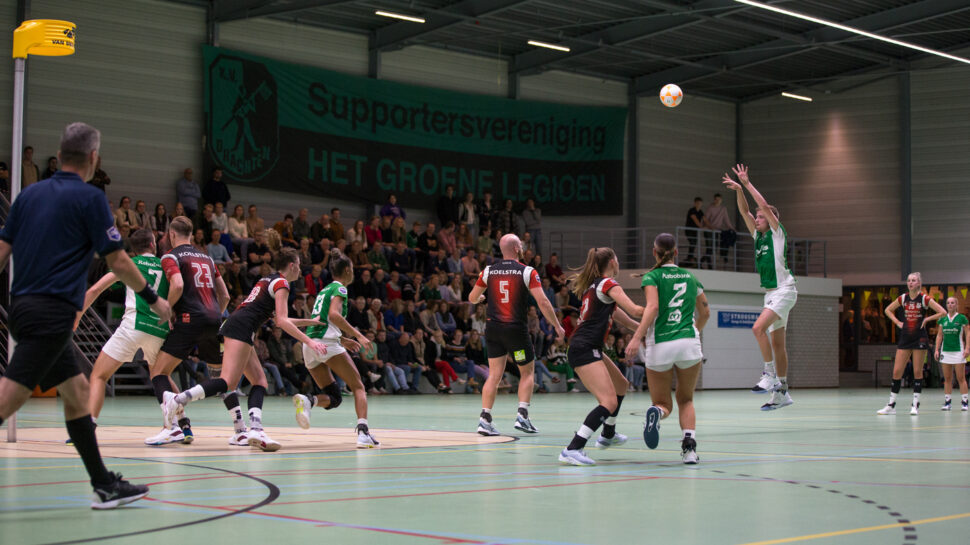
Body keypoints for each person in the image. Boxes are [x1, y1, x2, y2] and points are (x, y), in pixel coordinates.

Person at [0, 122, 170, 509]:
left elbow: (3, 250)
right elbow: (119, 261)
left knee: (78, 393)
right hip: (51, 313)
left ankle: (104, 484)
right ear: (94, 158)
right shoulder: (90, 198)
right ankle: (104, 484)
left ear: (60, 155)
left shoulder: (29, 195)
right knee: (9, 397)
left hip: (22, 308)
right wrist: (152, 298)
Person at [163, 245, 328, 451]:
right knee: (227, 382)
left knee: (259, 381)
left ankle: (255, 429)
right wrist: (310, 341)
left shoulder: (269, 279)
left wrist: (310, 322)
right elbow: (282, 322)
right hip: (240, 328)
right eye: (299, 266)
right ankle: (177, 400)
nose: (300, 270)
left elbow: (280, 318)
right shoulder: (283, 283)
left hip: (238, 326)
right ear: (292, 265)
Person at [468, 234, 564, 436]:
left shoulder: (488, 271)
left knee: (494, 375)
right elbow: (543, 302)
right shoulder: (527, 271)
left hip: (493, 330)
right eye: (521, 245)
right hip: (515, 332)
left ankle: (484, 419)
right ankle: (522, 415)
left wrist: (481, 298)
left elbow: (472, 298)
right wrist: (557, 325)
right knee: (527, 372)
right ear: (517, 249)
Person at [76, 229, 173, 429]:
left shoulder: (130, 264)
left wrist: (77, 316)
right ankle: (181, 423)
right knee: (161, 378)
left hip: (133, 327)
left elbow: (95, 289)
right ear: (152, 245)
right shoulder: (165, 266)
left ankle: (88, 427)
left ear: (134, 249)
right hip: (159, 329)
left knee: (99, 375)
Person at [626, 233, 709, 464]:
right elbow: (705, 312)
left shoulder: (652, 277)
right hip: (689, 344)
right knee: (686, 399)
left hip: (660, 345)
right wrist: (693, 333)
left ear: (654, 252)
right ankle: (690, 451)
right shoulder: (691, 277)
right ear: (676, 252)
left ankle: (657, 413)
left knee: (662, 403)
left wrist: (636, 338)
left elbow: (652, 307)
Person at [146, 216, 230, 445]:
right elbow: (225, 295)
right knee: (221, 377)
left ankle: (171, 427)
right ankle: (241, 427)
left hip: (189, 318)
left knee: (159, 373)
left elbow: (178, 285)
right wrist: (214, 314)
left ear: (172, 234)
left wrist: (166, 310)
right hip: (214, 319)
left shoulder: (170, 256)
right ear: (191, 234)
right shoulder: (208, 258)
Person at [723, 164, 797, 410]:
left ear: (772, 220)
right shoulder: (758, 236)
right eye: (758, 217)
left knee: (757, 328)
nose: (757, 218)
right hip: (771, 294)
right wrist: (738, 190)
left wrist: (747, 183)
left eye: (761, 217)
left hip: (784, 290)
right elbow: (744, 211)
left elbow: (763, 205)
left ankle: (769, 374)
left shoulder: (777, 233)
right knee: (778, 345)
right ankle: (782, 392)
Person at [558, 248, 642, 466]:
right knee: (609, 401)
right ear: (612, 262)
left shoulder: (595, 287)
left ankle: (608, 434)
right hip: (584, 348)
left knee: (621, 385)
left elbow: (624, 317)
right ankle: (573, 448)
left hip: (589, 347)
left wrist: (644, 329)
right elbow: (634, 309)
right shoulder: (608, 284)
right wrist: (659, 308)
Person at [292, 249, 378, 445]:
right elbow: (333, 315)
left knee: (335, 397)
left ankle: (308, 401)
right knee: (358, 386)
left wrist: (342, 339)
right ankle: (363, 433)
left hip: (310, 345)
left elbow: (324, 320)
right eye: (352, 269)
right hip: (326, 344)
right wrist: (359, 335)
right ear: (347, 270)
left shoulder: (324, 290)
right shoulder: (341, 289)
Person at [876, 272, 945, 415]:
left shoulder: (924, 298)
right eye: (909, 280)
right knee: (897, 371)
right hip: (905, 337)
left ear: (919, 283)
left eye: (913, 280)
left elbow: (942, 312)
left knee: (917, 372)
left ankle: (915, 405)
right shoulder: (903, 298)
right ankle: (891, 405)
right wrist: (897, 322)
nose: (910, 283)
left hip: (920, 338)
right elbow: (887, 310)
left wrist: (927, 319)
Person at [935, 296, 969, 411]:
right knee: (947, 378)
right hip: (945, 351)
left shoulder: (962, 318)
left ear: (957, 305)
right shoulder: (943, 319)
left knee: (961, 378)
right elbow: (939, 335)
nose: (950, 304)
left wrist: (967, 348)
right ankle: (947, 402)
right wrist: (937, 349)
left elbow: (968, 333)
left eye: (952, 303)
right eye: (948, 303)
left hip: (958, 351)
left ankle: (965, 402)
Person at [705, 193, 736, 267]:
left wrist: (732, 228)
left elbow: (726, 220)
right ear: (714, 200)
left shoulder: (723, 209)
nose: (717, 201)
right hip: (709, 231)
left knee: (715, 246)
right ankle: (707, 262)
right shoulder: (710, 208)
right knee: (709, 246)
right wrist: (710, 227)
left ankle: (705, 260)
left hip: (717, 231)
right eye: (716, 199)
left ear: (721, 200)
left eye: (719, 200)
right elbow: (705, 219)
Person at [683, 197, 706, 267]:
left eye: (700, 203)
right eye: (698, 203)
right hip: (689, 230)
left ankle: (690, 257)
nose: (699, 205)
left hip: (695, 231)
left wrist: (711, 227)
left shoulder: (700, 212)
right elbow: (695, 220)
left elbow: (705, 220)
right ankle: (689, 257)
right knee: (692, 242)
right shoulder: (692, 210)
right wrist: (702, 227)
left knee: (694, 243)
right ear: (695, 203)